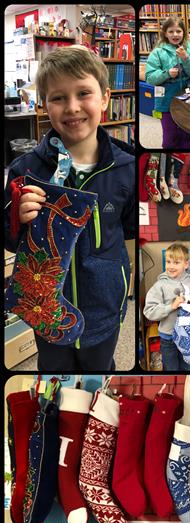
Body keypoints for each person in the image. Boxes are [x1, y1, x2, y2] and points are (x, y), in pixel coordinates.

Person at [4, 45, 135, 371]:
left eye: (83, 93)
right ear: (44, 104)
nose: (73, 107)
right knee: (53, 379)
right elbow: (8, 240)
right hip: (44, 309)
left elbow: (129, 235)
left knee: (98, 376)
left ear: (104, 98)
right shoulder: (24, 171)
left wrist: (121, 288)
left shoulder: (127, 168)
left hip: (102, 310)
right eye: (59, 98)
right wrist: (17, 221)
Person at [143, 243, 190, 371]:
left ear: (186, 264)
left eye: (176, 262)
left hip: (187, 336)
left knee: (186, 367)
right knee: (171, 368)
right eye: (168, 262)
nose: (171, 266)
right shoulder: (160, 285)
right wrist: (171, 306)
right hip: (168, 337)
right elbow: (149, 311)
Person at [145, 17, 190, 148]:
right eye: (171, 31)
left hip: (186, 101)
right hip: (165, 102)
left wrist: (186, 58)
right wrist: (166, 74)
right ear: (165, 33)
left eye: (178, 31)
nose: (175, 34)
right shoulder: (158, 52)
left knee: (187, 135)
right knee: (169, 136)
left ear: (184, 33)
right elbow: (150, 78)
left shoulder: (189, 49)